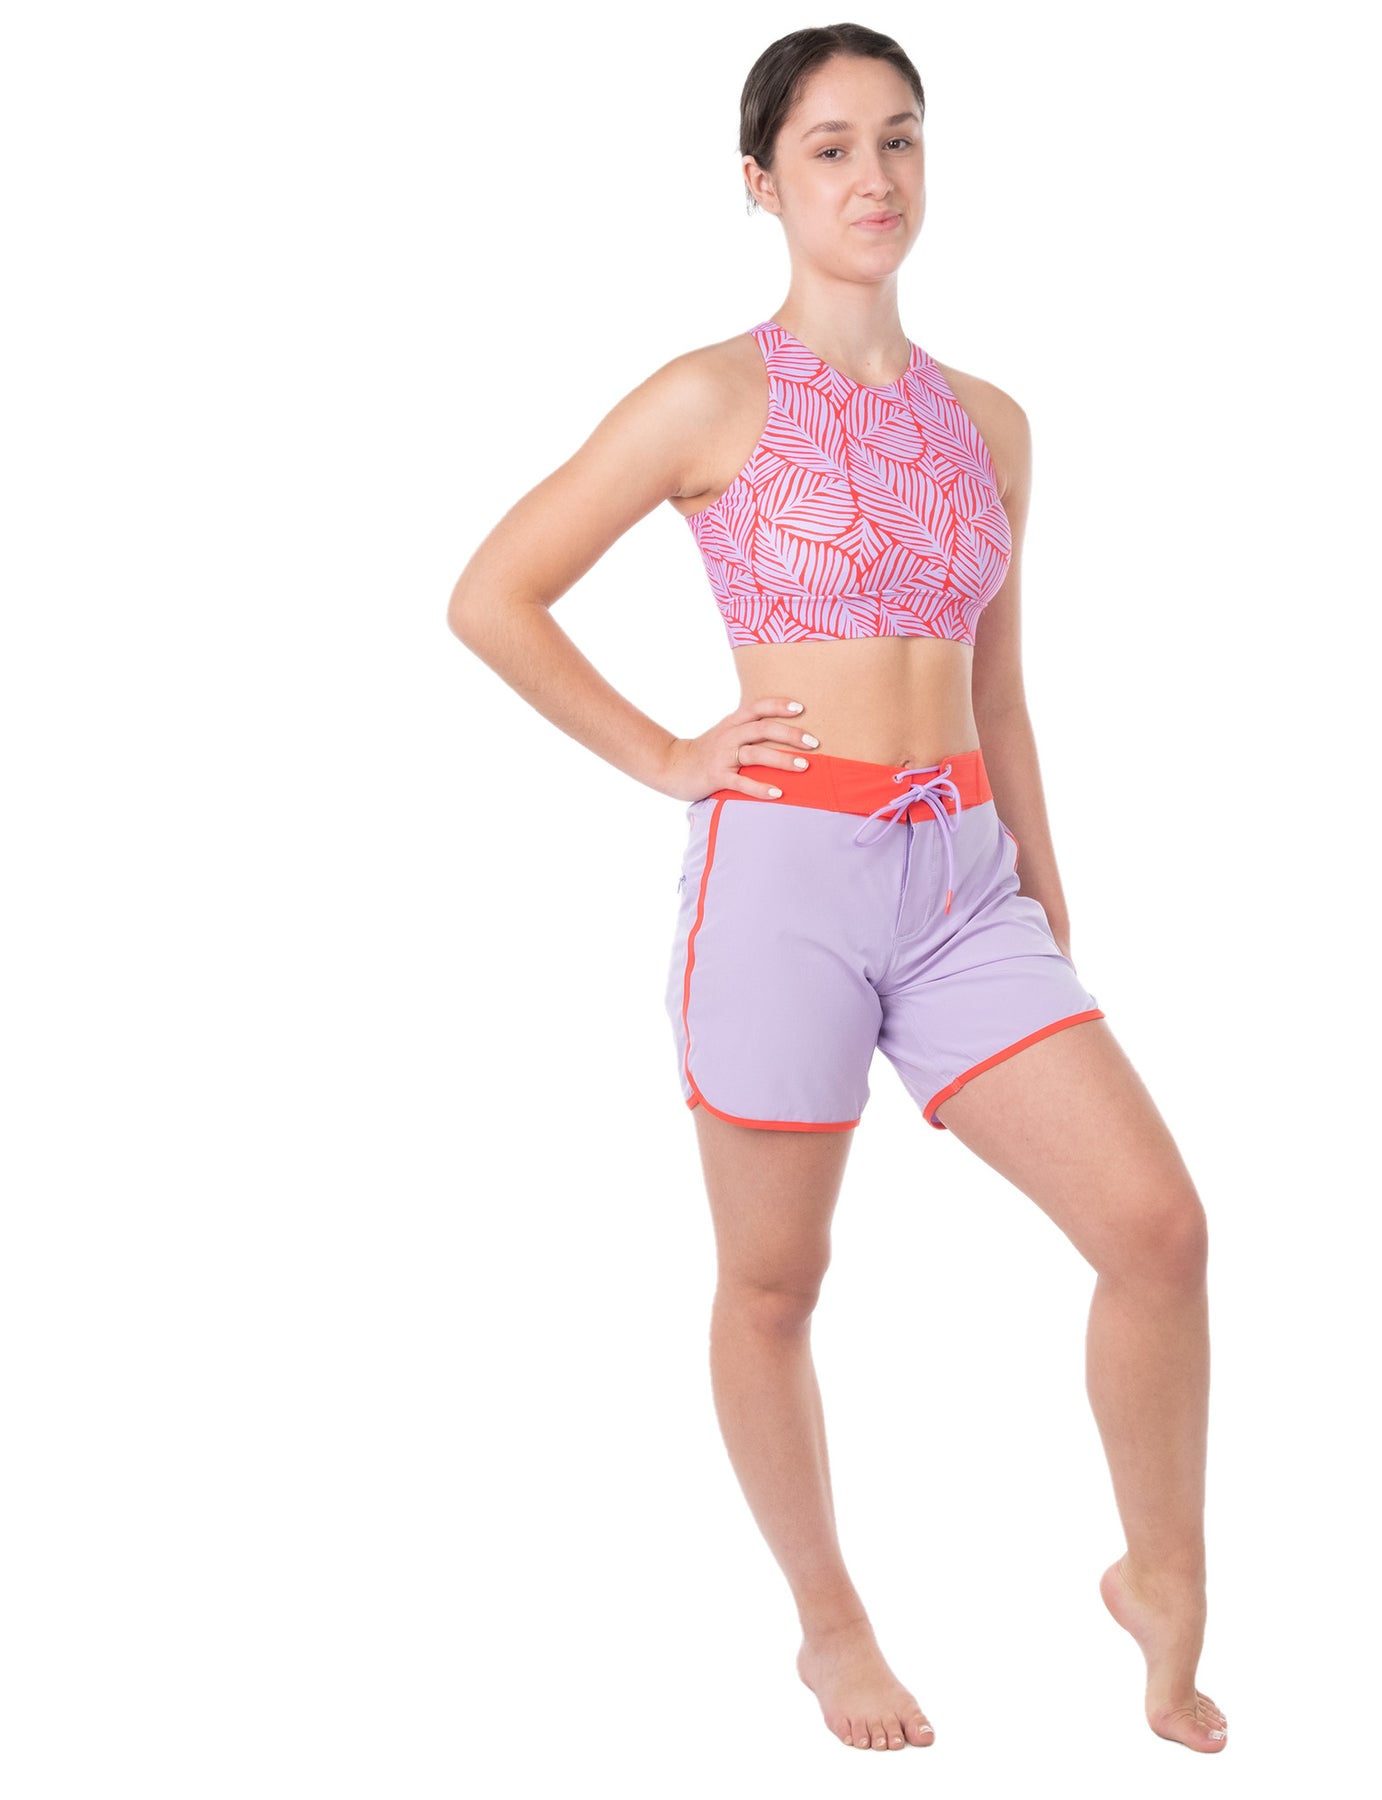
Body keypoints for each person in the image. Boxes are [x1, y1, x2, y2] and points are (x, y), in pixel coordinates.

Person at [446, 22, 1225, 1757]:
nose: (875, 177)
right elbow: (493, 594)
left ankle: (1160, 1571)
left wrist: (1046, 902)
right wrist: (669, 753)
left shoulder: (992, 424)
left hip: (962, 889)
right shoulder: (707, 398)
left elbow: (1001, 689)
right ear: (761, 183)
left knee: (1157, 1230)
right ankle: (830, 1626)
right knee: (776, 1284)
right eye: (830, 149)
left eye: (901, 140)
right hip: (784, 882)